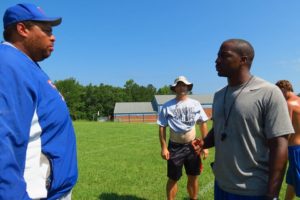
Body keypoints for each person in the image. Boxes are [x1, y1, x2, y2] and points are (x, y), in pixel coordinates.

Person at [192, 39, 294, 200]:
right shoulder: (219, 95)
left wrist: (272, 194)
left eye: (224, 56)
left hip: (253, 190)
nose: (217, 60)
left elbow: (279, 144)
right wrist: (204, 143)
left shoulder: (268, 92)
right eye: (217, 56)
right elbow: (221, 127)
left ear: (243, 60)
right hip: (221, 185)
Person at [0, 3, 77, 200]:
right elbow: (4, 140)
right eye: (46, 30)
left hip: (52, 190)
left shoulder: (26, 65)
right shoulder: (9, 65)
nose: (53, 37)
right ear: (22, 29)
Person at [158, 76, 209, 200]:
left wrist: (205, 145)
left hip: (193, 147)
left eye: (184, 85)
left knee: (193, 176)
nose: (182, 87)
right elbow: (161, 127)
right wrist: (164, 148)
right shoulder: (167, 106)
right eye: (179, 85)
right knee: (173, 178)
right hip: (175, 147)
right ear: (175, 88)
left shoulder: (195, 104)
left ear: (188, 87)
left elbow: (203, 123)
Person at [276, 80, 300, 200]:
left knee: (298, 179)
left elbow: (287, 129)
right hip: (298, 147)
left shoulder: (288, 104)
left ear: (284, 89)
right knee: (292, 180)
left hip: (294, 149)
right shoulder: (299, 101)